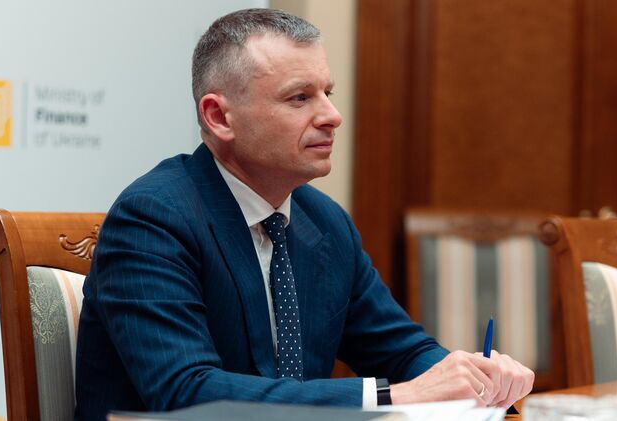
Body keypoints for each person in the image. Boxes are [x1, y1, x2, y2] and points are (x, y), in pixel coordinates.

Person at [74, 8, 534, 420]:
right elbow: (187, 394)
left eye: (327, 93)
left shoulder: (325, 222)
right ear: (219, 117)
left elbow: (401, 350)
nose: (332, 115)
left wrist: (474, 377)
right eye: (299, 98)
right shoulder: (153, 218)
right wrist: (392, 396)